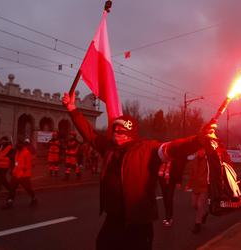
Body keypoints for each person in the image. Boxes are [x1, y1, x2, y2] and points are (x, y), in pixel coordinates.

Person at [62, 93, 215, 250]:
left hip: (138, 221)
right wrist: (72, 109)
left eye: (120, 131)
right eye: (114, 130)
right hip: (113, 218)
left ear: (130, 134)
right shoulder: (109, 149)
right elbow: (90, 134)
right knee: (102, 244)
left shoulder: (147, 149)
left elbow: (172, 148)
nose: (115, 133)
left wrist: (197, 141)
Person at [3, 139, 37, 208]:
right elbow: (17, 163)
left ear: (22, 145)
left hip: (24, 175)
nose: (17, 146)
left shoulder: (26, 153)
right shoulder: (17, 152)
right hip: (16, 175)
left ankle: (34, 198)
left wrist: (21, 174)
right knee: (12, 188)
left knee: (28, 189)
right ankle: (9, 202)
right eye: (17, 144)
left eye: (19, 144)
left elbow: (27, 166)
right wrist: (13, 171)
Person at [185, 147, 209, 233]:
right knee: (194, 204)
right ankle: (204, 212)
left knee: (199, 205)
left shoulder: (208, 161)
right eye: (199, 150)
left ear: (205, 151)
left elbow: (211, 174)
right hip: (195, 186)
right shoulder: (194, 160)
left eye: (202, 150)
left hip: (204, 187)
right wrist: (188, 184)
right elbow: (192, 173)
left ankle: (197, 224)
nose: (200, 152)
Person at [158, 158, 186, 227]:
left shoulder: (175, 158)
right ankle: (167, 216)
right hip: (162, 179)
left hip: (171, 180)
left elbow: (179, 169)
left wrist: (179, 181)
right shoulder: (162, 157)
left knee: (169, 199)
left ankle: (169, 218)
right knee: (165, 199)